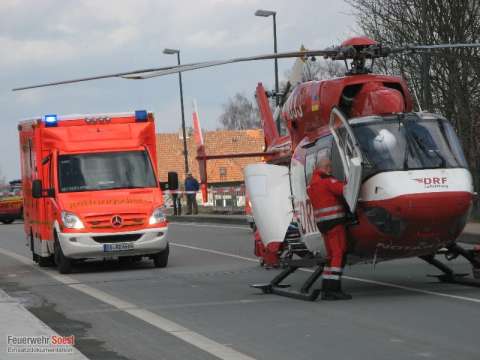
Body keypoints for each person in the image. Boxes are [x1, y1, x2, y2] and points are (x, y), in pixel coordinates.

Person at [307, 157, 352, 300]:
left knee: (331, 255)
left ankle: (326, 287)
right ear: (325, 167)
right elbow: (345, 190)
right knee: (339, 252)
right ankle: (334, 289)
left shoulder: (312, 185)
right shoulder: (328, 181)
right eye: (330, 167)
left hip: (323, 225)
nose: (331, 169)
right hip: (335, 222)